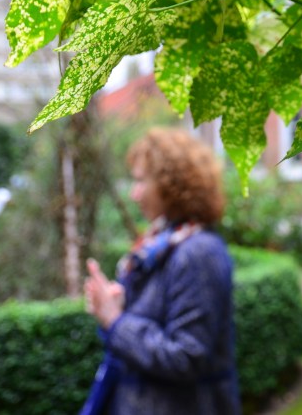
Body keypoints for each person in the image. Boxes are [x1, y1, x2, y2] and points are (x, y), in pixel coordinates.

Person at [82, 127, 240, 415]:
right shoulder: (163, 242)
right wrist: (118, 306)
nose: (133, 193)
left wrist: (116, 321)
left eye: (141, 181)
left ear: (172, 185)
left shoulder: (197, 253)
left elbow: (186, 357)